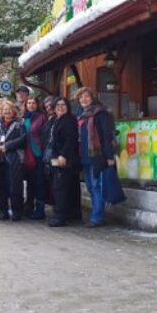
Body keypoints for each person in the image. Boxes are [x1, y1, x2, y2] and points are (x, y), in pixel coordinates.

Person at [76, 87, 115, 228]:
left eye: (86, 96)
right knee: (91, 187)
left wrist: (109, 156)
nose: (83, 100)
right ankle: (98, 215)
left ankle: (97, 217)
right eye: (81, 98)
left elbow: (106, 136)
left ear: (92, 98)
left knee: (96, 186)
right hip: (84, 156)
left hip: (97, 156)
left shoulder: (100, 113)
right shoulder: (81, 115)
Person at [0, 100, 26, 221]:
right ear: (1, 112)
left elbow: (23, 139)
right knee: (1, 187)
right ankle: (4, 211)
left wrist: (7, 146)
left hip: (13, 159)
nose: (7, 112)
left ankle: (16, 212)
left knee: (14, 187)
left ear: (13, 111)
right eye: (4, 110)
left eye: (9, 109)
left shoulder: (20, 124)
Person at [48, 97, 80, 227]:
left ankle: (60, 216)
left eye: (63, 105)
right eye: (58, 105)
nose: (60, 107)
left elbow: (70, 139)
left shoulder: (69, 120)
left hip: (65, 158)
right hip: (58, 157)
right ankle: (72, 213)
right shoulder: (56, 120)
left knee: (60, 187)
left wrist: (63, 155)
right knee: (69, 186)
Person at [23, 97, 47, 219]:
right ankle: (28, 206)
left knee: (39, 182)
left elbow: (45, 136)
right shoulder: (24, 118)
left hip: (38, 154)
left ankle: (40, 208)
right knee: (30, 182)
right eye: (29, 103)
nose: (31, 105)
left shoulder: (41, 117)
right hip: (26, 155)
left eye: (33, 103)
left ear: (37, 105)